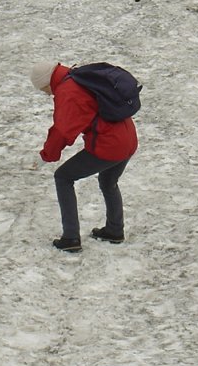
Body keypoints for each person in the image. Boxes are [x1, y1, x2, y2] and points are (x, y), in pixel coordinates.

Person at [30, 61, 138, 252]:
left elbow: (63, 131)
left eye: (43, 89)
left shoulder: (68, 91)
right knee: (108, 181)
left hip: (110, 144)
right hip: (128, 138)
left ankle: (71, 237)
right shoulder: (79, 76)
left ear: (47, 82)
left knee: (63, 177)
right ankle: (114, 230)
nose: (46, 93)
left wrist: (48, 154)